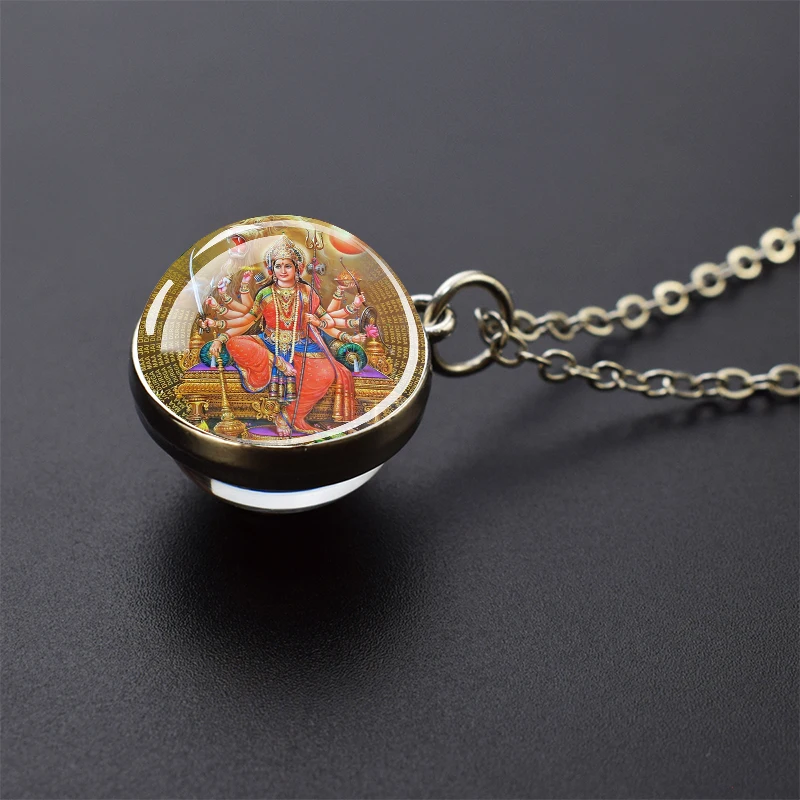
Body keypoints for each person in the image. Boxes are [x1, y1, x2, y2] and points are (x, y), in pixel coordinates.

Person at [204, 235, 367, 437]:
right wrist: (221, 338)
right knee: (236, 343)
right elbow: (247, 320)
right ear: (271, 269)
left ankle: (289, 416)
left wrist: (319, 323)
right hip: (269, 343)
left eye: (288, 266)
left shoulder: (306, 291)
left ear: (297, 268)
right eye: (278, 266)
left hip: (302, 344)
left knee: (326, 373)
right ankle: (277, 362)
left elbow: (327, 320)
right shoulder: (265, 293)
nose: (283, 270)